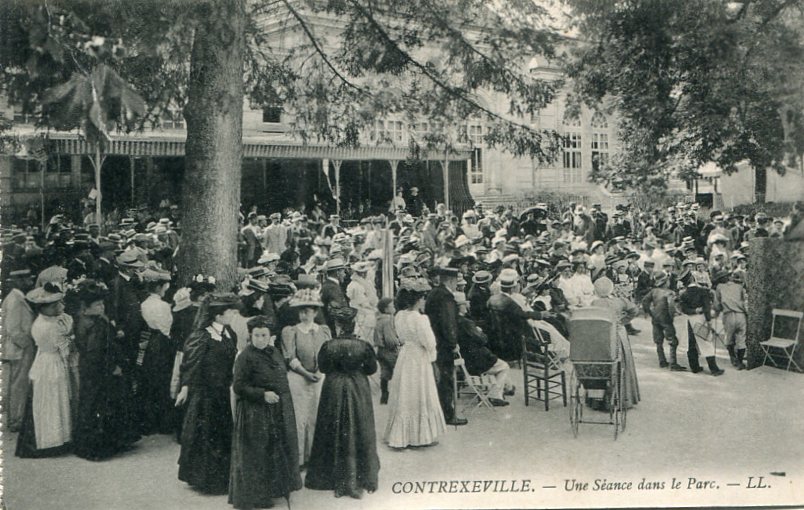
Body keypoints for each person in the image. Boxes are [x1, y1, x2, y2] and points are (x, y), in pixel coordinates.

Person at [304, 305, 380, 499]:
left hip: (334, 388)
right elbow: (371, 369)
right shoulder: (364, 346)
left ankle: (331, 477)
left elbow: (322, 367)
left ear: (337, 325)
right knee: (359, 426)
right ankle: (361, 476)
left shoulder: (328, 346)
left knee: (333, 427)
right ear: (353, 325)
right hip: (357, 387)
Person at [229, 316, 302, 510]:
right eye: (257, 335)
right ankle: (257, 497)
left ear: (270, 336)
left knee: (275, 450)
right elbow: (239, 386)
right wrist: (262, 394)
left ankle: (275, 488)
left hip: (277, 410)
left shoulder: (274, 351)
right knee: (258, 453)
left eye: (264, 335)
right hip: (255, 412)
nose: (260, 339)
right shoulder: (245, 356)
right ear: (250, 336)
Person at [175, 293, 241, 495]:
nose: (233, 314)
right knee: (207, 435)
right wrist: (185, 387)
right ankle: (206, 479)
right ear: (218, 315)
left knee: (223, 434)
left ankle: (223, 476)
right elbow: (190, 364)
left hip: (224, 391)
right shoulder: (201, 336)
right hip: (206, 394)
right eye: (230, 312)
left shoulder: (229, 332)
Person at [72, 280, 140, 460]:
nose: (102, 307)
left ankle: (88, 444)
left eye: (102, 304)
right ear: (87, 307)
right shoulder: (96, 326)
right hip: (100, 370)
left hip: (89, 369)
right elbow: (97, 352)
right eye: (97, 305)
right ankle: (99, 446)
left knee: (90, 403)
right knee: (101, 404)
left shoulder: (83, 320)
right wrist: (112, 367)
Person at [385, 278, 447, 447]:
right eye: (423, 298)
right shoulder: (420, 319)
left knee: (405, 393)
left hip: (405, 356)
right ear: (418, 300)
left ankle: (403, 435)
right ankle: (419, 437)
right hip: (418, 357)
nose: (424, 301)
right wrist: (432, 358)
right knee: (420, 393)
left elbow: (401, 336)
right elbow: (430, 342)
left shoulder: (399, 315)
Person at [16, 283, 74, 458]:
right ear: (44, 308)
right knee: (52, 401)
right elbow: (63, 347)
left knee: (54, 400)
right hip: (50, 363)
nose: (59, 308)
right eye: (54, 305)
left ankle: (59, 439)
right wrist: (71, 337)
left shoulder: (49, 320)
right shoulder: (46, 326)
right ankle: (51, 441)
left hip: (48, 361)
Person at [282, 288, 331, 468]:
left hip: (319, 377)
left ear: (315, 312)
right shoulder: (291, 331)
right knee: (299, 418)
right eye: (301, 311)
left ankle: (316, 457)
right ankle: (299, 459)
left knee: (316, 415)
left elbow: (327, 352)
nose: (304, 315)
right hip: (298, 378)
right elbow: (290, 356)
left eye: (308, 311)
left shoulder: (323, 330)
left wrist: (319, 369)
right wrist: (305, 372)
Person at [424, 267, 467, 426]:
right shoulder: (446, 297)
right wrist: (453, 343)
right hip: (443, 344)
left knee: (439, 379)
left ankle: (441, 412)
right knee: (446, 380)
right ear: (450, 280)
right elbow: (448, 324)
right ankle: (448, 415)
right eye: (456, 280)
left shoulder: (434, 293)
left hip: (434, 342)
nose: (457, 284)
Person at [454, 292, 514, 406]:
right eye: (464, 305)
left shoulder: (453, 321)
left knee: (500, 363)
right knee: (504, 367)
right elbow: (483, 340)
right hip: (477, 360)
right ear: (460, 307)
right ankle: (495, 395)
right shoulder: (466, 323)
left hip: (466, 360)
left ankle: (508, 387)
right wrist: (479, 332)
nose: (467, 306)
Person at [590, 277, 640, 409]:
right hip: (618, 333)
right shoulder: (619, 301)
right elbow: (634, 310)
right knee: (622, 362)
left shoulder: (594, 303)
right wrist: (623, 321)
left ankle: (598, 399)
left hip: (602, 336)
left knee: (601, 363)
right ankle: (623, 398)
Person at [137, 268, 175, 435]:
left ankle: (148, 421)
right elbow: (167, 328)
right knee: (163, 379)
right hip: (161, 342)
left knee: (150, 379)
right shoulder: (163, 306)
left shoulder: (144, 303)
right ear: (160, 287)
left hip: (151, 340)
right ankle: (164, 421)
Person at [1, 269, 36, 432]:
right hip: (20, 349)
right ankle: (16, 419)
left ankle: (17, 417)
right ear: (19, 280)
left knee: (18, 384)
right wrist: (28, 343)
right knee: (18, 385)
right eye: (27, 278)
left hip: (20, 348)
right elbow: (13, 329)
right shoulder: (15, 300)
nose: (30, 281)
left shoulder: (17, 297)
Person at [679, 275, 724, 376]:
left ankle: (694, 367)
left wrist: (693, 310)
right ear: (694, 279)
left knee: (691, 343)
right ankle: (714, 369)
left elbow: (683, 309)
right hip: (701, 319)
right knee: (706, 342)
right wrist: (709, 321)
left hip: (689, 320)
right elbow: (706, 307)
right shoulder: (703, 291)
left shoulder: (684, 294)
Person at [642, 271, 686, 371]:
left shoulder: (653, 291)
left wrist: (648, 312)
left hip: (655, 317)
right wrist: (674, 315)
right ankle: (673, 363)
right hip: (666, 319)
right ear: (666, 282)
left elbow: (645, 301)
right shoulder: (670, 292)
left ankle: (662, 361)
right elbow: (671, 306)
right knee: (672, 340)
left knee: (658, 340)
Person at [714, 270, 748, 370]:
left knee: (729, 337)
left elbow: (717, 305)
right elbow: (745, 300)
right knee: (741, 338)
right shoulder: (739, 286)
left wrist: (717, 311)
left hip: (728, 315)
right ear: (729, 277)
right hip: (741, 315)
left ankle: (733, 358)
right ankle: (740, 362)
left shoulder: (719, 287)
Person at [374, 297, 401, 405]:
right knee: (397, 371)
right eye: (392, 306)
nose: (394, 307)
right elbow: (390, 339)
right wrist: (399, 341)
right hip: (389, 350)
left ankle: (384, 395)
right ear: (386, 309)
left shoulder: (379, 320)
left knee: (385, 373)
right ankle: (397, 395)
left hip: (381, 350)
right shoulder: (388, 320)